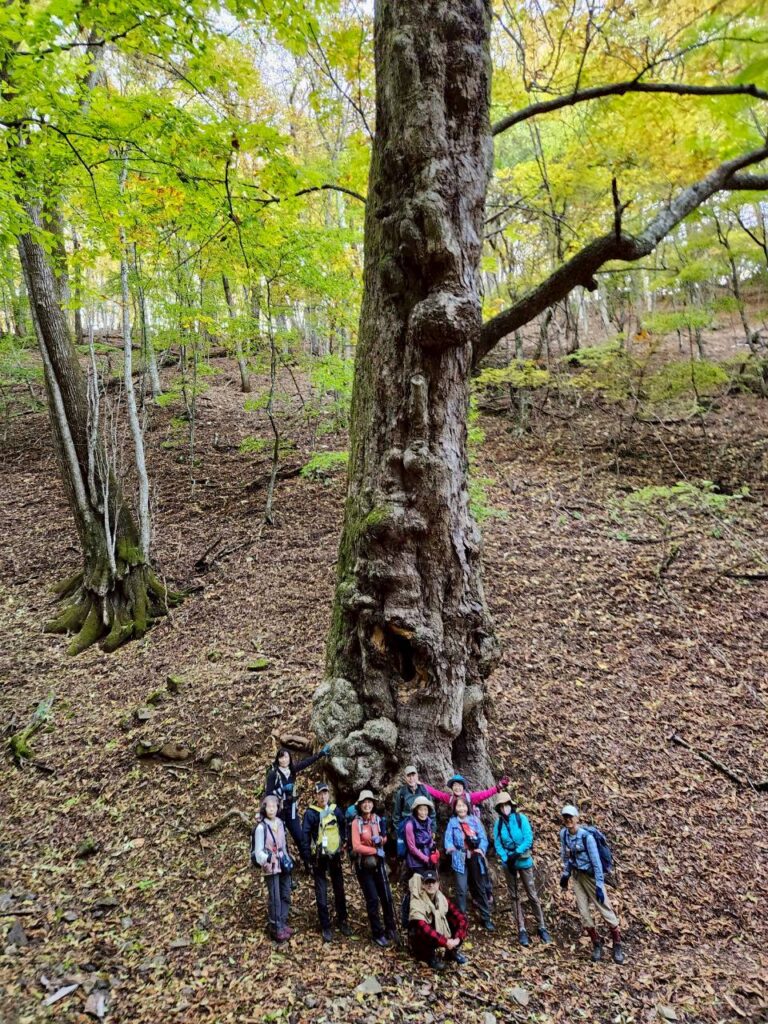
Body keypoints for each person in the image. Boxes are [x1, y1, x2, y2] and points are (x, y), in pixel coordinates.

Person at [559, 804, 625, 964]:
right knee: (583, 913)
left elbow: (596, 862)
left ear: (577, 818)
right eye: (565, 817)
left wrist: (599, 885)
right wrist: (566, 874)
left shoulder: (586, 837)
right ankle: (597, 943)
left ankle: (617, 943)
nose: (568, 820)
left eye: (570, 817)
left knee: (604, 909)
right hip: (577, 876)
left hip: (591, 877)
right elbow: (566, 856)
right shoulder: (564, 835)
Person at [493, 792, 551, 946]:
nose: (504, 808)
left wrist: (516, 853)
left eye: (506, 805)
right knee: (514, 896)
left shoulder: (521, 819)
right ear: (498, 809)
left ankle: (542, 926)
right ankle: (522, 929)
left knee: (531, 894)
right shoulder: (498, 824)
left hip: (524, 861)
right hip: (509, 864)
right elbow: (498, 843)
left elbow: (528, 838)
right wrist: (506, 858)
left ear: (511, 805)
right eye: (501, 806)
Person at [266, 744, 330, 869]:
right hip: (278, 812)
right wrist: (282, 789)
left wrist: (320, 754)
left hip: (292, 811)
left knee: (300, 837)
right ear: (278, 759)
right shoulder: (273, 774)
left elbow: (306, 763)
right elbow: (268, 794)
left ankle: (308, 863)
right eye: (281, 758)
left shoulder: (292, 771)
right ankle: (286, 869)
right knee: (281, 840)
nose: (284, 760)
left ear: (290, 758)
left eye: (286, 757)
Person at [302, 781, 351, 943]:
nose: (323, 797)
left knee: (339, 888)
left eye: (325, 793)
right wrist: (308, 858)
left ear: (328, 794)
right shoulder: (310, 813)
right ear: (315, 796)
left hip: (335, 855)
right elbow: (305, 836)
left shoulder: (335, 810)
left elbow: (344, 825)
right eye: (319, 794)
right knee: (321, 891)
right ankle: (325, 925)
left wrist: (343, 842)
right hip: (319, 859)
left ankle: (342, 920)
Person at [350, 789, 398, 947]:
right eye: (364, 802)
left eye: (369, 802)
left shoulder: (377, 819)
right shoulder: (356, 823)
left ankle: (391, 927)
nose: (367, 804)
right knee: (372, 898)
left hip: (378, 863)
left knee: (386, 895)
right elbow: (356, 846)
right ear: (360, 805)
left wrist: (381, 841)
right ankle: (377, 932)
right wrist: (374, 850)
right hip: (364, 865)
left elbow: (383, 838)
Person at [444, 795, 494, 931]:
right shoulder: (452, 822)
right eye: (458, 806)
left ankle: (486, 917)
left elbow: (483, 838)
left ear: (468, 807)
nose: (461, 808)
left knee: (480, 886)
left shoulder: (474, 821)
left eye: (463, 805)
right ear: (455, 808)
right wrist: (452, 849)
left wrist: (481, 849)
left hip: (475, 856)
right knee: (461, 888)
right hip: (459, 856)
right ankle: (462, 920)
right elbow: (448, 839)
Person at [252, 794, 293, 942]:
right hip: (271, 866)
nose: (272, 809)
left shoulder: (281, 823)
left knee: (286, 893)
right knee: (274, 897)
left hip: (283, 862)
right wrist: (268, 858)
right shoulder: (261, 828)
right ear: (264, 808)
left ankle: (282, 922)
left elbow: (284, 844)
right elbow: (258, 853)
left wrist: (287, 858)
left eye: (274, 806)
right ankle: (275, 927)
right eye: (269, 806)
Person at [408, 870, 468, 970]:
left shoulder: (441, 898)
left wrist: (457, 939)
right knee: (422, 930)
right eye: (427, 882)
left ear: (438, 884)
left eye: (433, 882)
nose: (430, 885)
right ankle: (429, 957)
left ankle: (451, 953)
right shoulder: (416, 901)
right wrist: (445, 942)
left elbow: (461, 918)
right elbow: (424, 928)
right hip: (421, 939)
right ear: (423, 885)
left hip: (440, 937)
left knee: (456, 921)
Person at [400, 795, 439, 928]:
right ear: (416, 810)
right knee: (416, 890)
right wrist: (426, 859)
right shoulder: (409, 825)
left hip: (428, 860)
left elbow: (429, 839)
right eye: (421, 809)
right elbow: (411, 847)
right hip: (416, 862)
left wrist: (434, 850)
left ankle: (428, 918)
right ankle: (407, 919)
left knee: (430, 888)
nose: (423, 812)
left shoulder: (428, 821)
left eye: (425, 809)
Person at [392, 765, 435, 857]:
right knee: (405, 852)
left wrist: (433, 829)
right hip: (407, 824)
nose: (411, 778)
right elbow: (396, 814)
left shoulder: (424, 790)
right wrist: (398, 830)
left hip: (423, 824)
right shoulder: (401, 793)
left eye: (413, 775)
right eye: (409, 776)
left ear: (417, 776)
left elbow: (431, 811)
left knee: (425, 849)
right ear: (405, 778)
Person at [423, 772, 508, 814]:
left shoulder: (470, 797)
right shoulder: (450, 798)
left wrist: (498, 787)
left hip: (470, 823)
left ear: (463, 787)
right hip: (455, 823)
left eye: (460, 785)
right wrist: (421, 784)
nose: (457, 788)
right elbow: (435, 793)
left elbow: (485, 794)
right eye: (455, 785)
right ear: (452, 788)